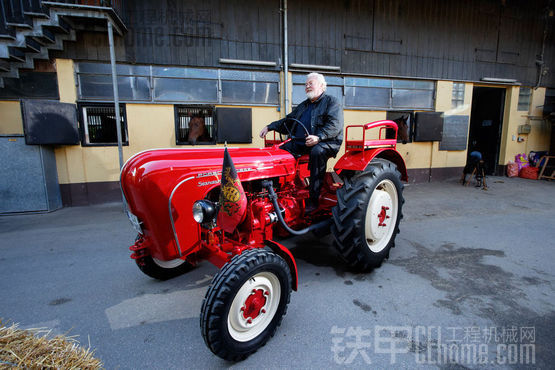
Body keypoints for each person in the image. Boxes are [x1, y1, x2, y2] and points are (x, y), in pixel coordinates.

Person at [259, 72, 343, 211]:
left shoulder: (332, 102)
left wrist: (319, 137)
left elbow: (335, 125)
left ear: (322, 86)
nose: (307, 86)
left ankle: (313, 198)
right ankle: (277, 192)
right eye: (306, 85)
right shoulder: (303, 106)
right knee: (278, 152)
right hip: (302, 142)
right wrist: (269, 127)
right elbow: (288, 121)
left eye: (311, 83)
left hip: (326, 142)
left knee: (317, 152)